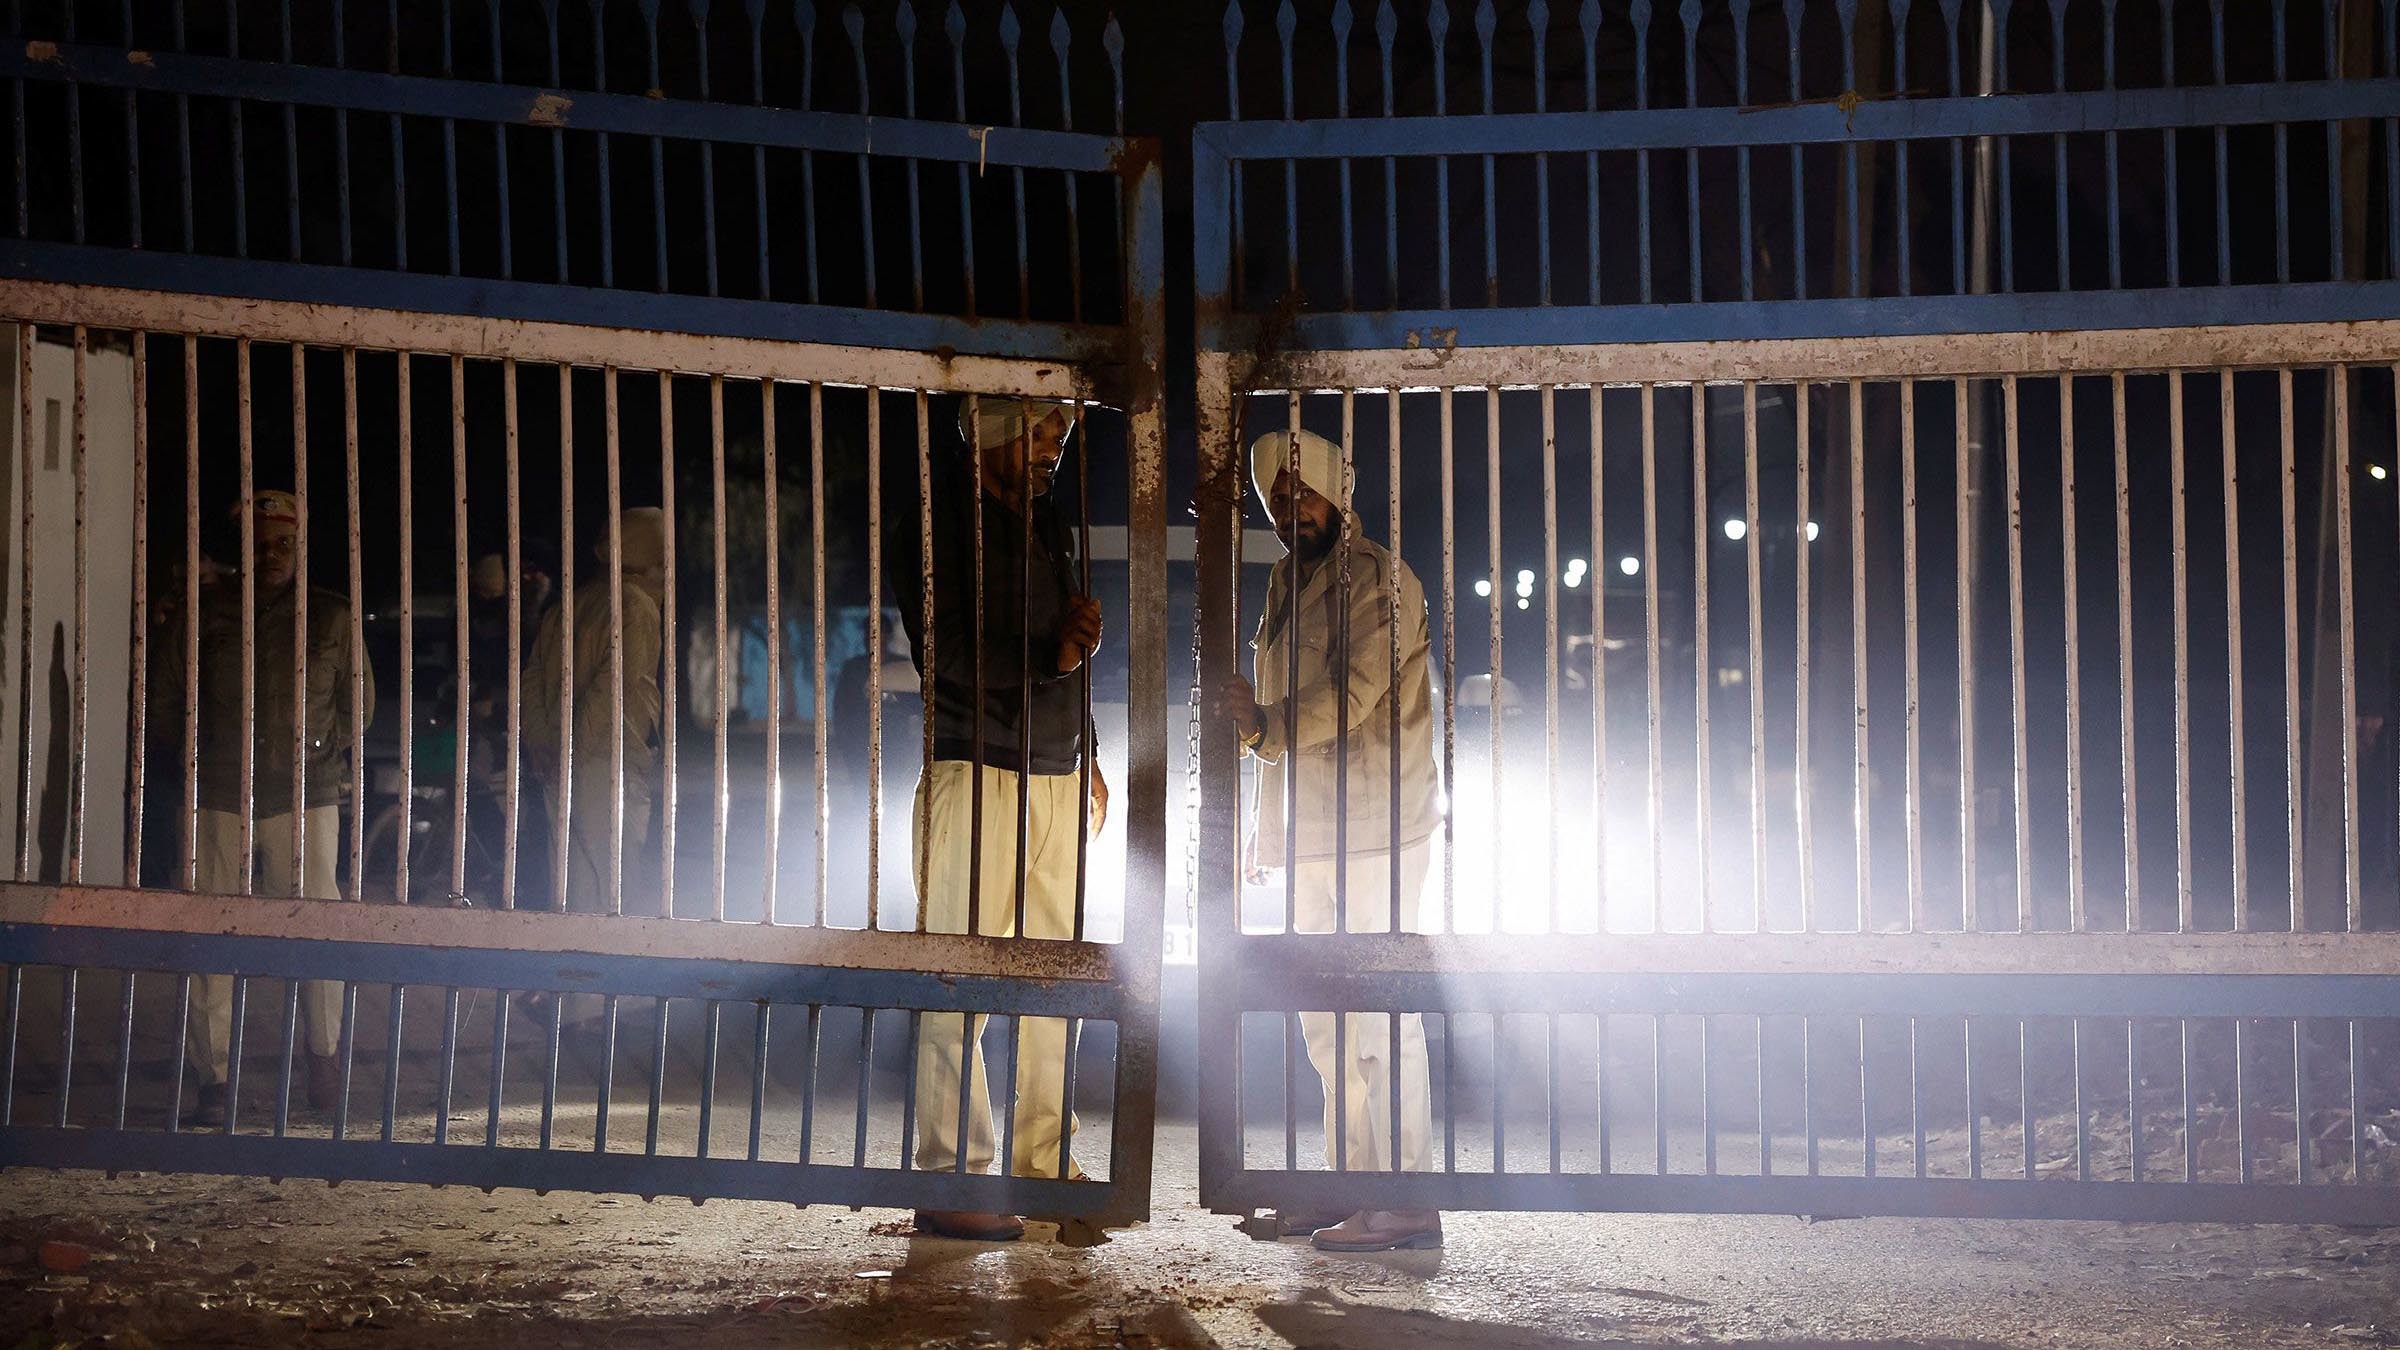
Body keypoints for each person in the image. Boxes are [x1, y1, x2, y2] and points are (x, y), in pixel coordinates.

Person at [1217, 427, 1443, 1253]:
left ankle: (1408, 1199)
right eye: (1275, 497)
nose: (1289, 510)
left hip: (1378, 825)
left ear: (1337, 494)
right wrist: (1264, 825)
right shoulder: (1284, 579)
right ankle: (1354, 1188)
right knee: (1327, 1026)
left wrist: (1267, 726)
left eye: (1301, 492)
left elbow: (1351, 692)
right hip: (1312, 830)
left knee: (1380, 1018)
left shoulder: (1380, 578)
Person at [892, 397, 1109, 1243]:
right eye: (1040, 429)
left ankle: (1045, 1166)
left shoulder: (1047, 526)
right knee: (960, 981)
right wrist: (1049, 657)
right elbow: (945, 647)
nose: (1054, 446)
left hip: (1055, 775)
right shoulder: (944, 522)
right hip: (975, 769)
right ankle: (951, 1177)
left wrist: (1086, 744)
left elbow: (1068, 651)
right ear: (988, 430)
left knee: (1056, 983)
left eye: (1062, 433)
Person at [172, 490, 374, 1128]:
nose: (273, 555)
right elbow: (171, 695)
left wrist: (317, 758)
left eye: (285, 542)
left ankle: (324, 1053)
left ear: (301, 545)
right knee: (211, 933)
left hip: (304, 796)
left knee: (317, 925)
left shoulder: (331, 616)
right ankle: (215, 1079)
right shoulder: (207, 613)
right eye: (261, 544)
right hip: (219, 792)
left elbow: (359, 705)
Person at [522, 509, 667, 933]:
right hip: (607, 760)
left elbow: (532, 678)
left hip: (557, 761)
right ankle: (608, 990)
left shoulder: (570, 603)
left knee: (568, 886)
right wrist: (571, 751)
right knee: (612, 889)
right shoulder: (636, 606)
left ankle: (571, 992)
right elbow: (613, 691)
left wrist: (544, 744)